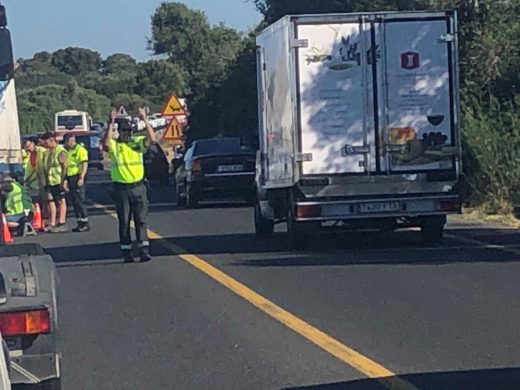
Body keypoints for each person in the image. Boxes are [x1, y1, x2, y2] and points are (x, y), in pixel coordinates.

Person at [103, 107, 156, 263]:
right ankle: (127, 252)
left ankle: (144, 250)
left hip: (138, 187)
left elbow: (152, 139)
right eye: (124, 131)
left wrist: (145, 119)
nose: (127, 133)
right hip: (121, 189)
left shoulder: (137, 143)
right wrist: (111, 123)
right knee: (124, 222)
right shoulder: (115, 146)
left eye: (129, 131)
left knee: (141, 220)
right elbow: (106, 144)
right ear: (119, 132)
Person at [41, 132, 68, 233]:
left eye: (46, 142)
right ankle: (52, 223)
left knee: (61, 200)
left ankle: (62, 222)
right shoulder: (48, 152)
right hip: (50, 181)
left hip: (58, 180)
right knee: (51, 201)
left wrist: (63, 180)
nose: (45, 144)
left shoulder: (60, 151)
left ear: (52, 140)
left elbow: (65, 166)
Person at [63, 133, 90, 232]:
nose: (72, 143)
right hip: (70, 177)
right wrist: (65, 179)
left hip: (78, 176)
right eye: (70, 141)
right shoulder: (68, 151)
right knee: (74, 201)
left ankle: (85, 222)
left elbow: (84, 164)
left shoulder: (80, 150)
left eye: (73, 140)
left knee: (80, 201)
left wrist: (81, 177)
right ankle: (80, 222)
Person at [22, 137, 46, 204]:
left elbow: (42, 167)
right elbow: (32, 169)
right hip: (36, 183)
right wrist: (27, 180)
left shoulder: (42, 151)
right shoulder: (31, 155)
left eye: (29, 146)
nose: (28, 149)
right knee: (41, 201)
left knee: (48, 201)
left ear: (33, 143)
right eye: (26, 148)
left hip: (44, 180)